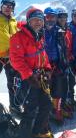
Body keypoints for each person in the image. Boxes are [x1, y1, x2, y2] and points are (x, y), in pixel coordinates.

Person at [10, 8, 53, 138]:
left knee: (46, 104)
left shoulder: (39, 36)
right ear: (28, 21)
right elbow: (16, 60)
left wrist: (48, 69)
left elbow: (43, 57)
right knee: (30, 110)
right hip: (27, 80)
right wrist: (29, 76)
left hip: (39, 78)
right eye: (35, 20)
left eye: (40, 20)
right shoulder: (18, 37)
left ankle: (36, 132)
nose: (38, 23)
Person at [46, 8, 74, 122]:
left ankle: (56, 110)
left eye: (53, 16)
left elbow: (62, 49)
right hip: (45, 65)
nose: (51, 19)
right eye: (49, 16)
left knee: (58, 88)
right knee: (46, 89)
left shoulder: (60, 31)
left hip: (58, 63)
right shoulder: (41, 31)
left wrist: (63, 63)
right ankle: (47, 112)